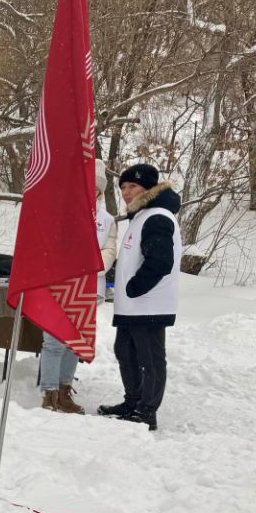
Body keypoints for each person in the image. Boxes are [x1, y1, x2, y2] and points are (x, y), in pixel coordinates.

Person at [98, 164, 181, 431]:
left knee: (149, 360)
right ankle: (132, 402)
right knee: (126, 353)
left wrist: (135, 287)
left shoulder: (157, 216)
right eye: (123, 187)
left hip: (149, 304)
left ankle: (146, 412)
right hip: (131, 306)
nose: (126, 192)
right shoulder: (141, 216)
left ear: (148, 188)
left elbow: (160, 261)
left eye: (132, 186)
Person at [40, 166, 117, 414]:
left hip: (87, 287)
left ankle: (64, 392)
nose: (89, 191)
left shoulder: (107, 220)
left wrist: (88, 265)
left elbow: (109, 251)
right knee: (54, 340)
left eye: (95, 188)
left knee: (73, 342)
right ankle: (49, 393)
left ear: (100, 191)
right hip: (58, 285)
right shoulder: (58, 212)